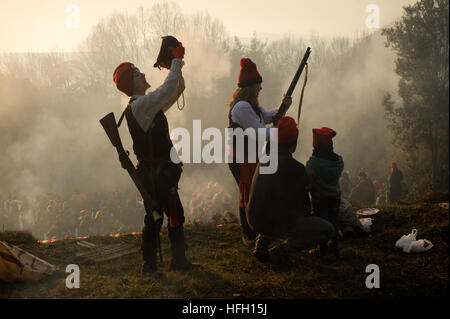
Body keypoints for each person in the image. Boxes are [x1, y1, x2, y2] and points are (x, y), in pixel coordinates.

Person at [112, 42, 198, 275]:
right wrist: (176, 62)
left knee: (175, 216)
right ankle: (149, 266)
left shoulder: (145, 105)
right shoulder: (140, 106)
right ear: (132, 83)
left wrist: (172, 66)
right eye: (138, 74)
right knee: (156, 219)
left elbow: (176, 88)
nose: (143, 75)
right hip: (154, 173)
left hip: (162, 171)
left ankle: (178, 260)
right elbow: (168, 90)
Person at [246, 117, 334, 263]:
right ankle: (284, 250)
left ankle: (261, 245)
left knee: (272, 209)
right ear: (293, 144)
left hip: (255, 219)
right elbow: (303, 207)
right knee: (327, 230)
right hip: (277, 223)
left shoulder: (264, 161)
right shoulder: (297, 168)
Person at [227, 57, 292, 245]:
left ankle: (253, 232)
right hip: (242, 159)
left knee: (251, 193)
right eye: (258, 85)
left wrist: (283, 107)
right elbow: (260, 132)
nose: (260, 88)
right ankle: (249, 234)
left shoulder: (251, 105)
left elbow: (268, 116)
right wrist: (284, 131)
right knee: (247, 194)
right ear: (251, 86)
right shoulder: (242, 107)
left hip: (248, 156)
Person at [305, 127, 344, 251]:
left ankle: (322, 246)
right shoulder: (339, 162)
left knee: (322, 223)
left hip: (320, 199)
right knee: (334, 221)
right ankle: (334, 243)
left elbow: (307, 181)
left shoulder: (312, 164)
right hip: (335, 197)